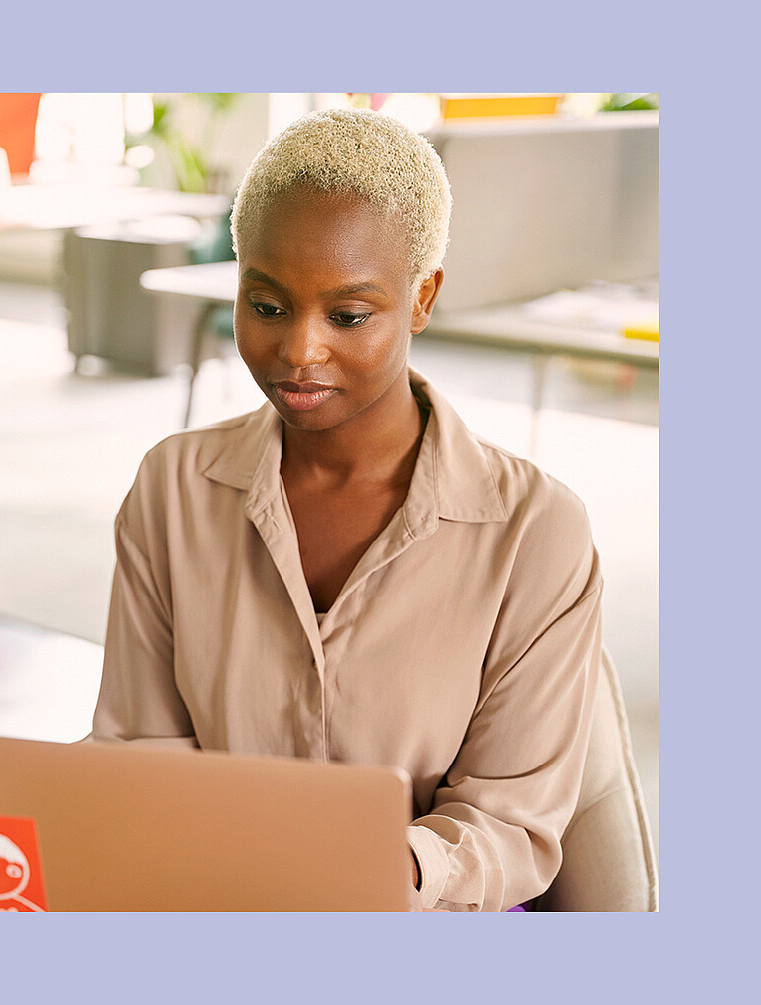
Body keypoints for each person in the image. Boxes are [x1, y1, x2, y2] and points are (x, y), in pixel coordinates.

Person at [90, 107, 603, 912]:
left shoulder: (534, 532)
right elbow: (139, 750)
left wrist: (356, 874)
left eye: (349, 315)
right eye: (265, 305)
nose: (299, 350)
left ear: (421, 297)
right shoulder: (173, 489)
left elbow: (508, 824)